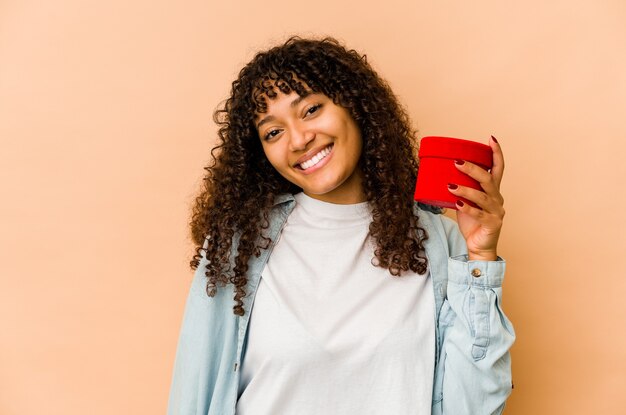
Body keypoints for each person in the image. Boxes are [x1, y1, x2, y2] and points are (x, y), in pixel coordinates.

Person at [167, 35, 515, 415]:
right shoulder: (238, 248)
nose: (298, 139)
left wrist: (480, 255)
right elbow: (193, 395)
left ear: (355, 106)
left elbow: (475, 406)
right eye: (273, 132)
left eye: (311, 109)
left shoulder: (438, 241)